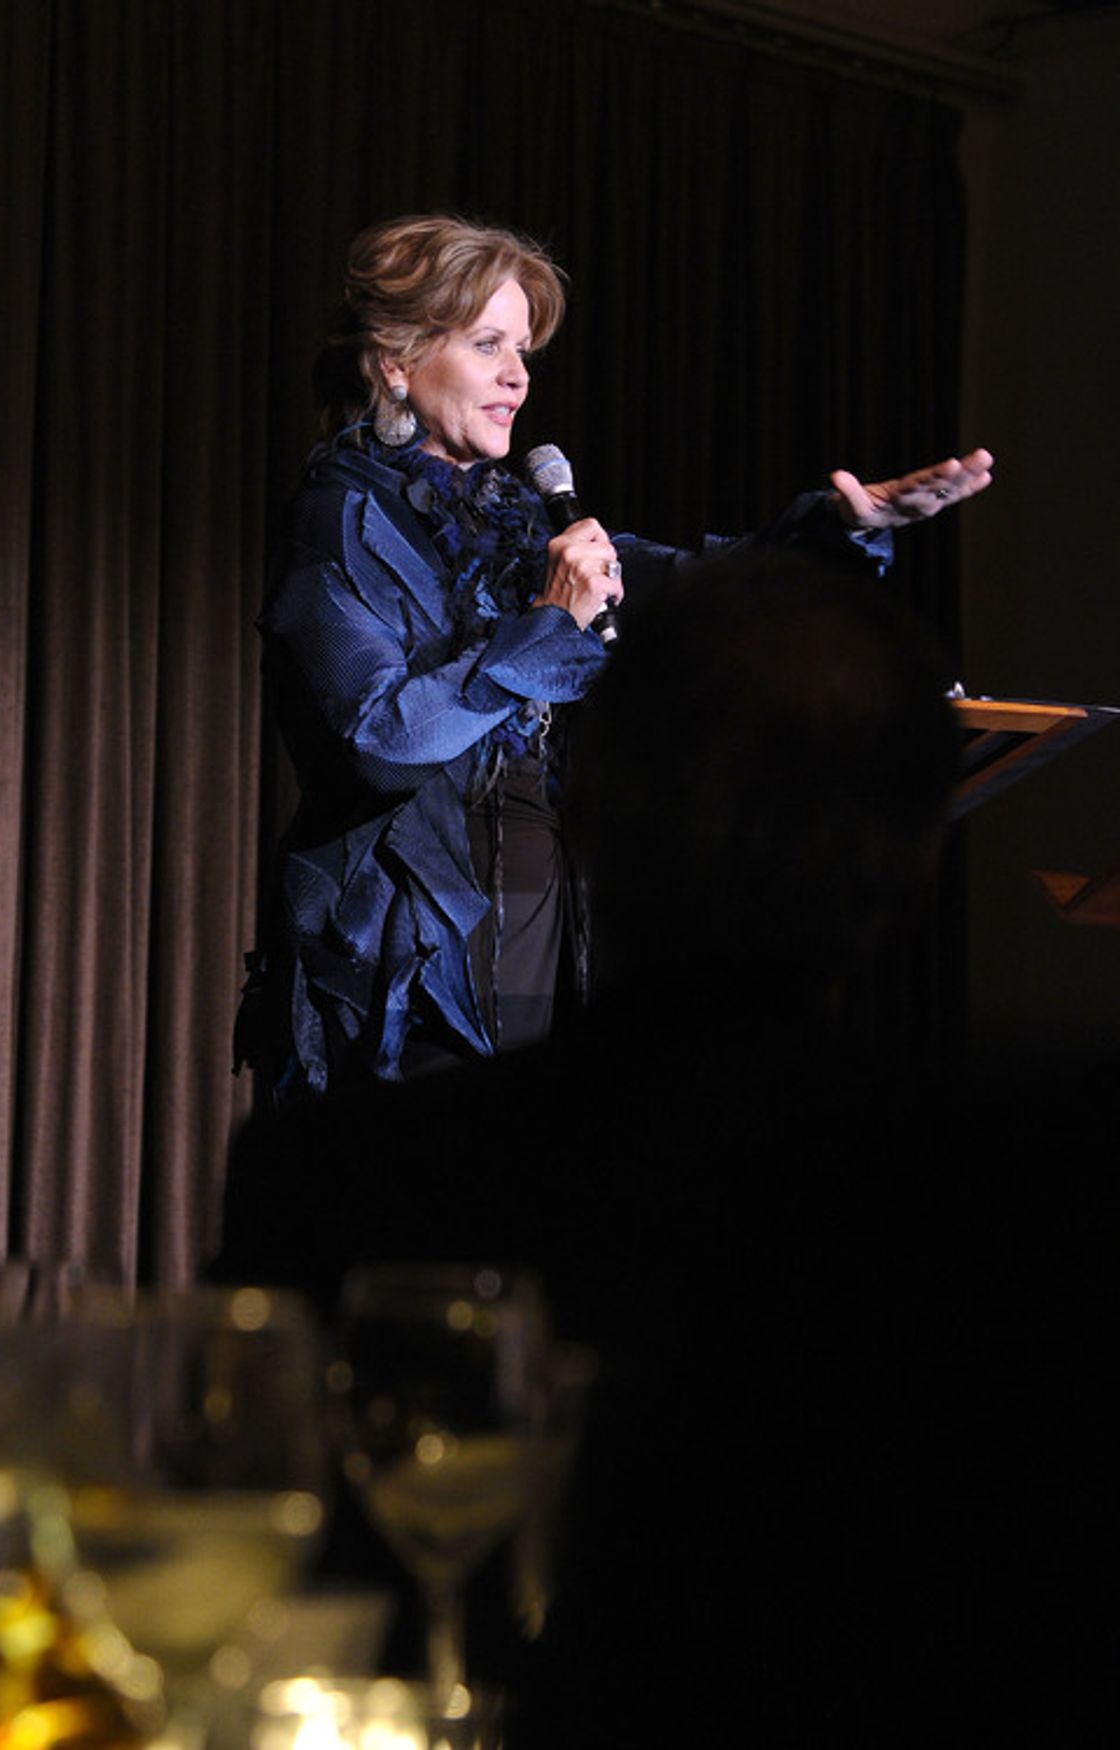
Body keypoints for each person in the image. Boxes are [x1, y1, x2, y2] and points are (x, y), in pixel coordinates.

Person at [217, 550, 1116, 1743]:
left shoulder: (335, 1183)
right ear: (917, 867)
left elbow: (271, 1637)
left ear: (580, 818)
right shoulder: (1044, 1206)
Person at [234, 212, 992, 1102]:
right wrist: (548, 630)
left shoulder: (522, 520)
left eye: (523, 350)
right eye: (489, 346)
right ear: (395, 363)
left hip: (554, 925)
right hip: (411, 952)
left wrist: (845, 528)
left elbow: (698, 588)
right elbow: (379, 742)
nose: (518, 377)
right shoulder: (340, 519)